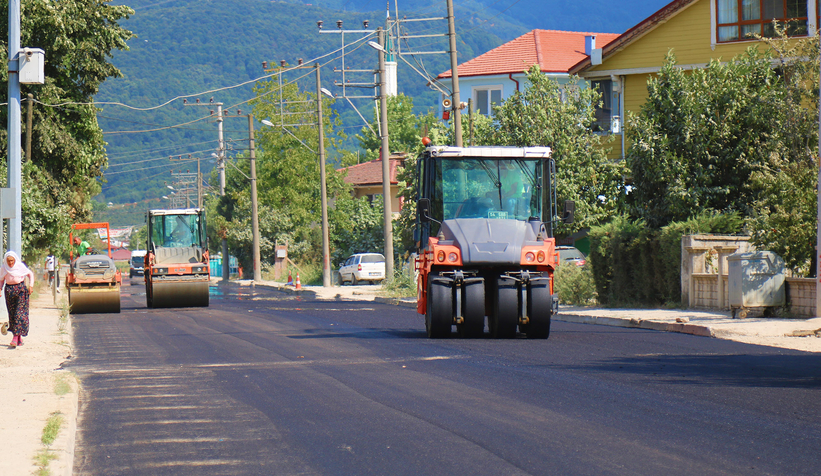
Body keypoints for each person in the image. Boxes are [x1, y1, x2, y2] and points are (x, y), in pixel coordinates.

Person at [0, 251, 34, 348]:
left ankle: (15, 338)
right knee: (13, 314)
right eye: (8, 261)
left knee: (19, 313)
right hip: (9, 291)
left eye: (12, 261)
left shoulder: (20, 266)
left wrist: (30, 286)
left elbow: (30, 274)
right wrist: (0, 288)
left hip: (21, 290)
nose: (10, 263)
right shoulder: (4, 268)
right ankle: (19, 338)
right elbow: (1, 280)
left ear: (15, 259)